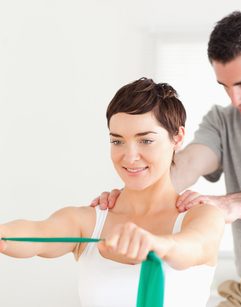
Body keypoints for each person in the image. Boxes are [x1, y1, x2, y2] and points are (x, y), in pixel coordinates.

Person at [91, 12, 241, 306]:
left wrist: (230, 205)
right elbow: (186, 165)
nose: (235, 99)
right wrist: (130, 196)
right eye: (225, 86)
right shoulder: (224, 120)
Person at [0, 78, 224, 307]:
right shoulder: (89, 221)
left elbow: (193, 246)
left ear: (177, 138)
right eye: (117, 142)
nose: (129, 156)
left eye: (146, 140)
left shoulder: (200, 216)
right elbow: (37, 233)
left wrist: (155, 244)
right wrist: (3, 235)